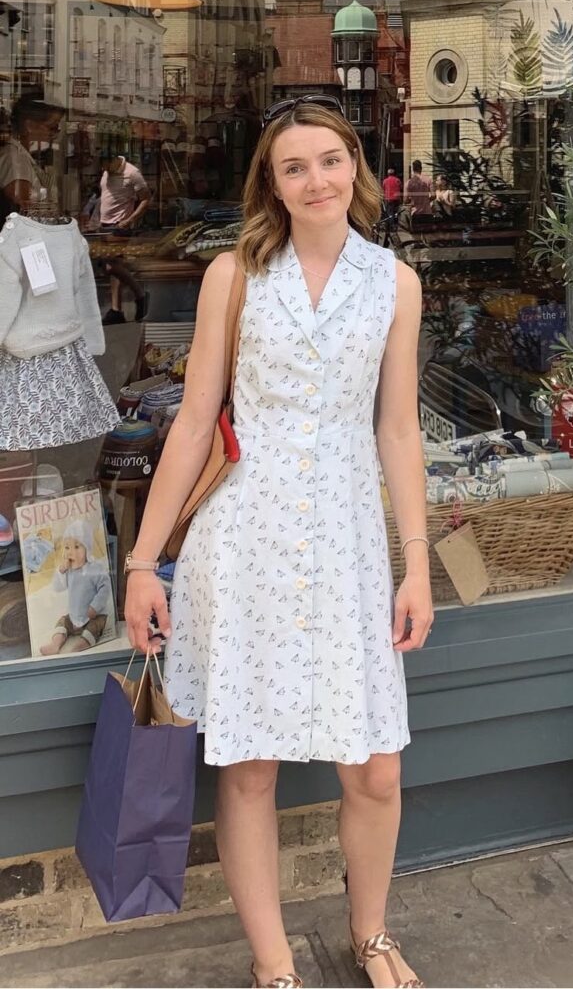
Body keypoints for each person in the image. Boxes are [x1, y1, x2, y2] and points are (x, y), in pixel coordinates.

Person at [124, 95, 433, 989]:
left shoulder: (393, 283)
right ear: (271, 181)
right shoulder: (233, 276)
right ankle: (273, 964)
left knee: (374, 771)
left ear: (355, 168)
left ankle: (369, 933)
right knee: (250, 767)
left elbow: (398, 429)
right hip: (245, 544)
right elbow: (193, 423)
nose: (315, 180)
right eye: (293, 166)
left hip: (346, 544)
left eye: (329, 160)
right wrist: (145, 562)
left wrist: (415, 564)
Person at [40, 520, 110, 656]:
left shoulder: (95, 568)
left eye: (77, 547)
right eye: (67, 547)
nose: (71, 552)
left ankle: (82, 644)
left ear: (87, 548)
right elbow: (57, 587)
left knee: (95, 627)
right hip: (74, 616)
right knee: (62, 622)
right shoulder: (69, 570)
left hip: (94, 615)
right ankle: (55, 644)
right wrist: (61, 571)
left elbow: (105, 588)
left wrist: (95, 607)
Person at [98, 150, 151, 324]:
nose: (104, 169)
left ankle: (140, 294)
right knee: (116, 266)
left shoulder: (132, 173)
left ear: (115, 160)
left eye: (106, 165)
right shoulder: (107, 172)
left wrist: (129, 220)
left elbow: (145, 199)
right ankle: (116, 309)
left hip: (120, 225)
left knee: (110, 265)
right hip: (105, 224)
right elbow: (105, 197)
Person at [0, 96, 64, 223]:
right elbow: (21, 209)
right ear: (30, 125)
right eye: (52, 127)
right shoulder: (16, 158)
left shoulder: (22, 155)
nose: (55, 133)